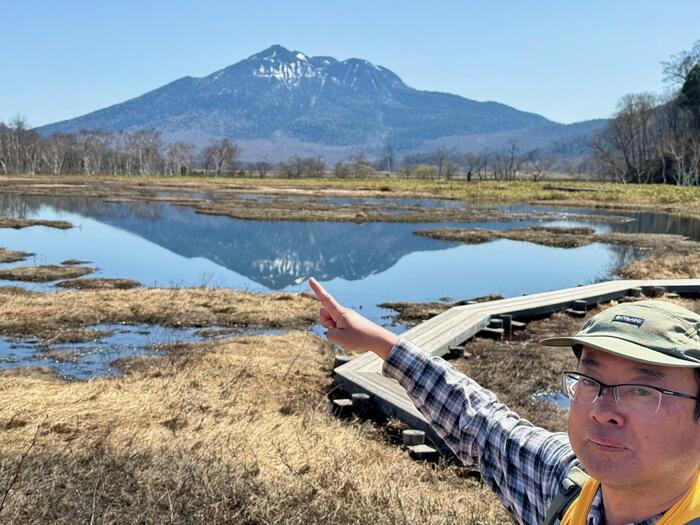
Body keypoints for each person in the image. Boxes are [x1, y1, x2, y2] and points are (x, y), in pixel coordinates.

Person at [308, 278, 700, 525]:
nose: (602, 411)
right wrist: (380, 342)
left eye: (642, 390)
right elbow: (478, 423)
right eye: (590, 380)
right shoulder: (565, 485)